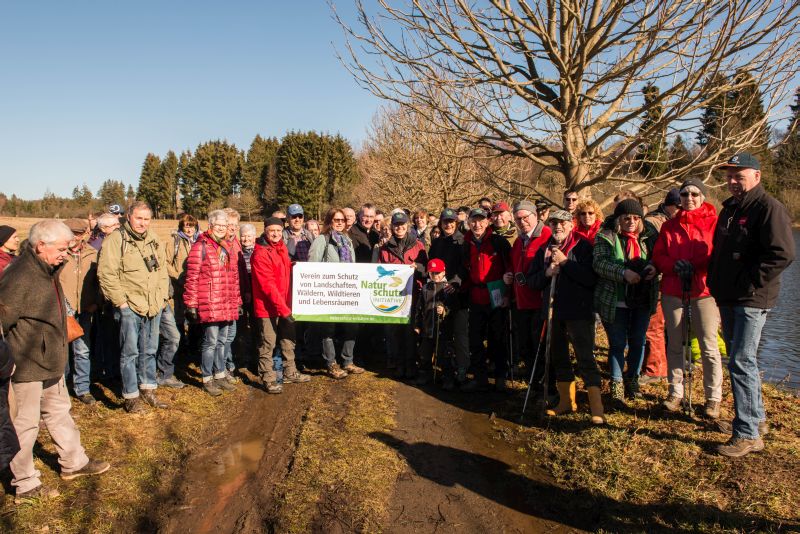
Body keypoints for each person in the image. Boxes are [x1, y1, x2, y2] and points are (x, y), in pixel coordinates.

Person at [0, 220, 110, 503]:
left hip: (52, 359)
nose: (66, 253)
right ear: (40, 246)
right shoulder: (18, 278)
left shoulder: (46, 270)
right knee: (25, 424)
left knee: (60, 412)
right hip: (26, 364)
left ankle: (74, 462)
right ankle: (24, 483)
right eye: (61, 248)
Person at [708, 153, 795, 457]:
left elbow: (782, 254)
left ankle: (746, 433)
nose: (732, 182)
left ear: (756, 176)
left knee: (741, 361)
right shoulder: (730, 209)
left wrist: (750, 281)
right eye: (729, 176)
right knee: (741, 359)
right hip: (728, 297)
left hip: (751, 299)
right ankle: (756, 420)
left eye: (739, 176)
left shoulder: (769, 208)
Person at [652, 178, 722, 419]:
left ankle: (713, 398)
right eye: (684, 194)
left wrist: (695, 265)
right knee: (675, 343)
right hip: (673, 289)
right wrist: (674, 266)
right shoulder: (670, 226)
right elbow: (659, 256)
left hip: (704, 291)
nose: (689, 198)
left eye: (694, 194)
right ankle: (675, 391)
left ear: (702, 196)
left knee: (708, 345)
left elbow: (716, 254)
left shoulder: (715, 223)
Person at [527, 210, 604, 424]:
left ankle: (597, 408)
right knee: (558, 357)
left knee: (585, 358)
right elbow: (532, 282)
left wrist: (565, 263)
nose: (558, 227)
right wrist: (546, 274)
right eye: (554, 223)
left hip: (578, 312)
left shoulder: (583, 247)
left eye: (563, 223)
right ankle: (566, 402)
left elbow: (590, 279)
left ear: (572, 224)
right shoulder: (544, 249)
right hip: (553, 313)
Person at [97, 201, 170, 413]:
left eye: (147, 219)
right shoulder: (116, 240)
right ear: (128, 217)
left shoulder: (154, 239)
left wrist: (162, 297)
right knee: (130, 353)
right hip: (130, 307)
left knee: (149, 350)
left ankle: (148, 389)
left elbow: (162, 270)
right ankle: (131, 396)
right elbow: (106, 274)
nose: (143, 223)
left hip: (153, 305)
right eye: (139, 218)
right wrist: (122, 303)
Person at [593, 198, 659, 405]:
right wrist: (623, 272)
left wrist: (654, 269)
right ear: (618, 218)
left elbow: (660, 258)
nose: (631, 221)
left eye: (635, 217)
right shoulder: (606, 236)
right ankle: (616, 383)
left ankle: (633, 379)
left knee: (638, 341)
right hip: (615, 299)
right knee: (617, 343)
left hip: (643, 297)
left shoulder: (650, 236)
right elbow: (600, 263)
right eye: (626, 217)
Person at [183, 210, 242, 396]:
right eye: (219, 226)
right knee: (210, 341)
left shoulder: (227, 247)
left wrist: (237, 301)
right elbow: (191, 277)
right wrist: (191, 304)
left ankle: (220, 374)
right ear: (210, 226)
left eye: (225, 226)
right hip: (210, 302)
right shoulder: (201, 246)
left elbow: (234, 278)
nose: (222, 229)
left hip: (226, 302)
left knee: (223, 341)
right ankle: (207, 377)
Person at [251, 217, 311, 393]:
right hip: (267, 307)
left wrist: (296, 267)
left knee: (288, 338)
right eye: (272, 231)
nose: (276, 234)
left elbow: (282, 270)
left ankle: (290, 371)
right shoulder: (260, 252)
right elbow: (268, 286)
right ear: (265, 231)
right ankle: (268, 378)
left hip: (284, 303)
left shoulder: (281, 248)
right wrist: (284, 309)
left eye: (278, 230)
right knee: (268, 342)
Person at [309, 209, 365, 378]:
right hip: (328, 293)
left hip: (346, 292)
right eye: (336, 220)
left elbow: (353, 265)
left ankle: (348, 361)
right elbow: (312, 266)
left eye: (342, 220)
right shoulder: (322, 240)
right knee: (328, 328)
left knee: (352, 326)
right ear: (329, 221)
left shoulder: (347, 241)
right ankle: (331, 363)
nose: (340, 222)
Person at [461, 208, 511, 392]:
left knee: (497, 337)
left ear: (488, 221)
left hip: (496, 293)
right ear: (468, 222)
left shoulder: (499, 242)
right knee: (475, 339)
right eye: (474, 221)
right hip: (475, 295)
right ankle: (480, 377)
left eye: (481, 220)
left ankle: (500, 376)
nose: (477, 224)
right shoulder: (466, 243)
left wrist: (507, 294)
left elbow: (509, 269)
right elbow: (464, 270)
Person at [373, 211, 428, 378]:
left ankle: (410, 364)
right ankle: (399, 364)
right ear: (392, 227)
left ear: (407, 225)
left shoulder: (418, 245)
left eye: (402, 224)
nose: (400, 228)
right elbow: (378, 271)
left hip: (413, 295)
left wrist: (417, 267)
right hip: (392, 298)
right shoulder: (384, 248)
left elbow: (426, 270)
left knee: (410, 332)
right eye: (396, 225)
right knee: (395, 332)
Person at [506, 201, 551, 385]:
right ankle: (533, 379)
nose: (522, 221)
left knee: (538, 345)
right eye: (518, 219)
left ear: (536, 216)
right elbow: (514, 264)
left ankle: (543, 382)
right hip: (521, 301)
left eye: (526, 217)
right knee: (524, 345)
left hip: (539, 301)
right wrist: (508, 274)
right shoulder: (519, 241)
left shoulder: (546, 237)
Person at [639, 188, 681, 385]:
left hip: (662, 282)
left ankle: (655, 368)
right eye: (678, 206)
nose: (682, 210)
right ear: (670, 206)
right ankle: (655, 367)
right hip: (656, 280)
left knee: (654, 327)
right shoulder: (655, 222)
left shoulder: (661, 220)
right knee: (653, 326)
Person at [60, 218, 101, 404]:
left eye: (78, 233)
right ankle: (60, 389)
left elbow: (101, 281)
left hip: (85, 309)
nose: (74, 237)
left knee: (83, 350)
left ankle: (83, 388)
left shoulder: (93, 253)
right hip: (60, 311)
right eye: (71, 233)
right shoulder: (59, 255)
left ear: (85, 234)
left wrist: (96, 303)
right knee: (60, 351)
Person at [428, 208, 470, 388]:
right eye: (445, 221)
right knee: (443, 334)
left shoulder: (463, 242)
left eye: (452, 221)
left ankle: (462, 370)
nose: (449, 224)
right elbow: (432, 264)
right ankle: (446, 372)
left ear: (457, 223)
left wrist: (455, 282)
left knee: (460, 335)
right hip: (440, 294)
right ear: (441, 223)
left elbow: (465, 267)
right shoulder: (436, 243)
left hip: (459, 295)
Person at [413, 258, 458, 386]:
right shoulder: (425, 288)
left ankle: (447, 377)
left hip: (443, 330)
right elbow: (419, 308)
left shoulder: (448, 288)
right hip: (427, 329)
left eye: (438, 272)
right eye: (432, 273)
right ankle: (425, 375)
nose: (435, 275)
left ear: (444, 272)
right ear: (428, 273)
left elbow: (454, 307)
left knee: (445, 355)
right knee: (425, 355)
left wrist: (445, 310)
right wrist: (417, 325)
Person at [236, 223, 259, 372]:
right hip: (241, 291)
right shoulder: (236, 251)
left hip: (256, 291)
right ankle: (241, 359)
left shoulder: (258, 250)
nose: (245, 239)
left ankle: (256, 360)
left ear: (254, 237)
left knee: (257, 327)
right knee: (241, 327)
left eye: (249, 236)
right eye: (243, 235)